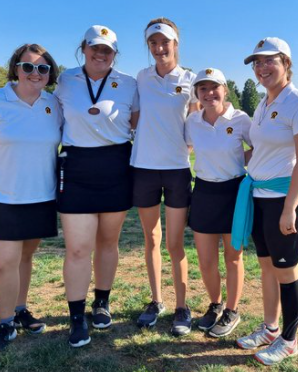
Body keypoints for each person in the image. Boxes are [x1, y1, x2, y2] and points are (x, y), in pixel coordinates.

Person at [0, 44, 62, 356]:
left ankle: (20, 310)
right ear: (15, 69)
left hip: (42, 197)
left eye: (43, 68)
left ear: (50, 73)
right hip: (2, 197)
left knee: (25, 257)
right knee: (4, 263)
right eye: (28, 67)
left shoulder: (54, 104)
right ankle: (5, 323)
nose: (35, 73)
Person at [232, 37, 298, 366]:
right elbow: (261, 150)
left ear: (286, 63)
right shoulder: (263, 103)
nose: (262, 68)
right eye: (257, 63)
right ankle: (270, 329)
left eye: (269, 61)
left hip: (283, 200)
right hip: (259, 197)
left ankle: (289, 340)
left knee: (286, 272)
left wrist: (288, 209)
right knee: (267, 268)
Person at [54, 25, 139, 348]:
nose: (100, 54)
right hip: (76, 168)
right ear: (84, 48)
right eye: (95, 48)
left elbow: (139, 124)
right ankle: (77, 316)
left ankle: (101, 302)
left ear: (114, 54)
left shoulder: (129, 83)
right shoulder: (65, 80)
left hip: (117, 166)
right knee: (77, 248)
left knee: (108, 242)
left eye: (107, 50)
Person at [130, 17, 199, 337]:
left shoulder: (190, 79)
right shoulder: (140, 79)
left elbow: (198, 123)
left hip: (176, 169)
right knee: (152, 239)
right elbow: (130, 117)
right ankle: (156, 301)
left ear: (176, 43)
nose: (159, 49)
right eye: (153, 44)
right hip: (143, 167)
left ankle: (181, 307)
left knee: (174, 243)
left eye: (165, 42)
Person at [185, 68, 252, 338]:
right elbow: (185, 147)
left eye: (214, 88)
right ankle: (215, 304)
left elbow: (260, 146)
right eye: (203, 89)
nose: (209, 93)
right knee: (205, 259)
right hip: (203, 191)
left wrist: (239, 161)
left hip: (234, 191)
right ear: (197, 94)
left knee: (233, 257)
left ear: (225, 90)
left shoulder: (241, 119)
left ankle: (232, 310)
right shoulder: (192, 121)